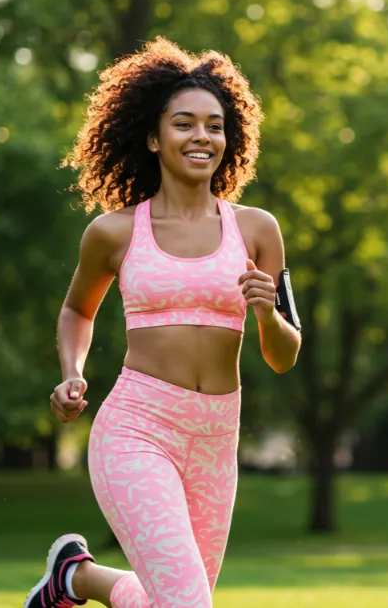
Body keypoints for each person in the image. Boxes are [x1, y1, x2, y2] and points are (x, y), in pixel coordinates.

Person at [23, 37, 302, 608]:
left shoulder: (258, 230)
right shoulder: (115, 232)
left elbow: (283, 355)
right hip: (137, 427)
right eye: (184, 124)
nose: (202, 137)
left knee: (170, 603)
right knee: (187, 604)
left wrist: (265, 312)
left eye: (215, 126)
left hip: (217, 435)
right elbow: (78, 309)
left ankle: (74, 578)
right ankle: (72, 577)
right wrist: (72, 371)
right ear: (152, 137)